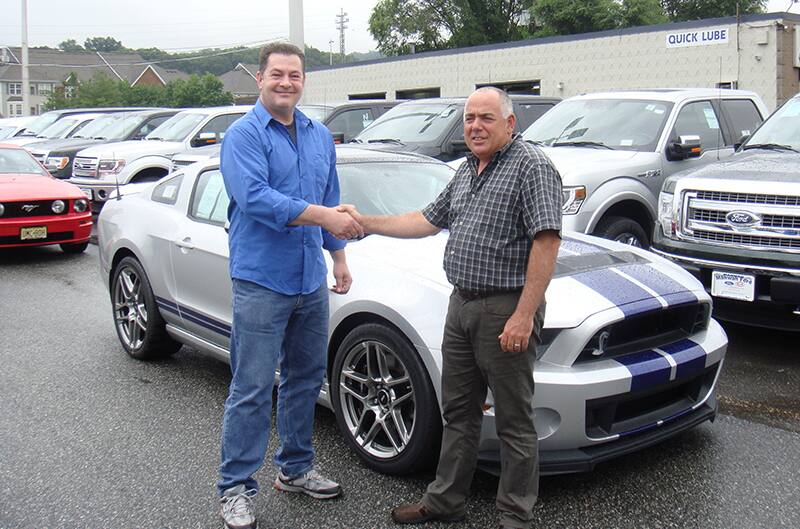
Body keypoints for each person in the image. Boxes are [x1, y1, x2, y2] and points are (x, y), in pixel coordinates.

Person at [339, 86, 562, 529]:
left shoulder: (531, 166)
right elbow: (426, 219)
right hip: (461, 304)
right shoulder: (466, 170)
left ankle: (514, 516)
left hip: (505, 309)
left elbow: (547, 240)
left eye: (486, 118)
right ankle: (446, 502)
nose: (475, 126)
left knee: (514, 422)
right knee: (458, 412)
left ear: (510, 123)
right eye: (469, 118)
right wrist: (366, 223)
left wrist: (523, 313)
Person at [216, 42, 362, 529]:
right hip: (261, 279)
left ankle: (295, 470)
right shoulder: (243, 135)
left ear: (303, 81)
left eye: (294, 75)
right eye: (276, 74)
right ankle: (235, 487)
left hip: (308, 280)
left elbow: (329, 196)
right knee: (252, 386)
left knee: (304, 379)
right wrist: (325, 217)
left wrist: (337, 257)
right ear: (260, 78)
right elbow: (256, 198)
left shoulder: (319, 135)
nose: (285, 82)